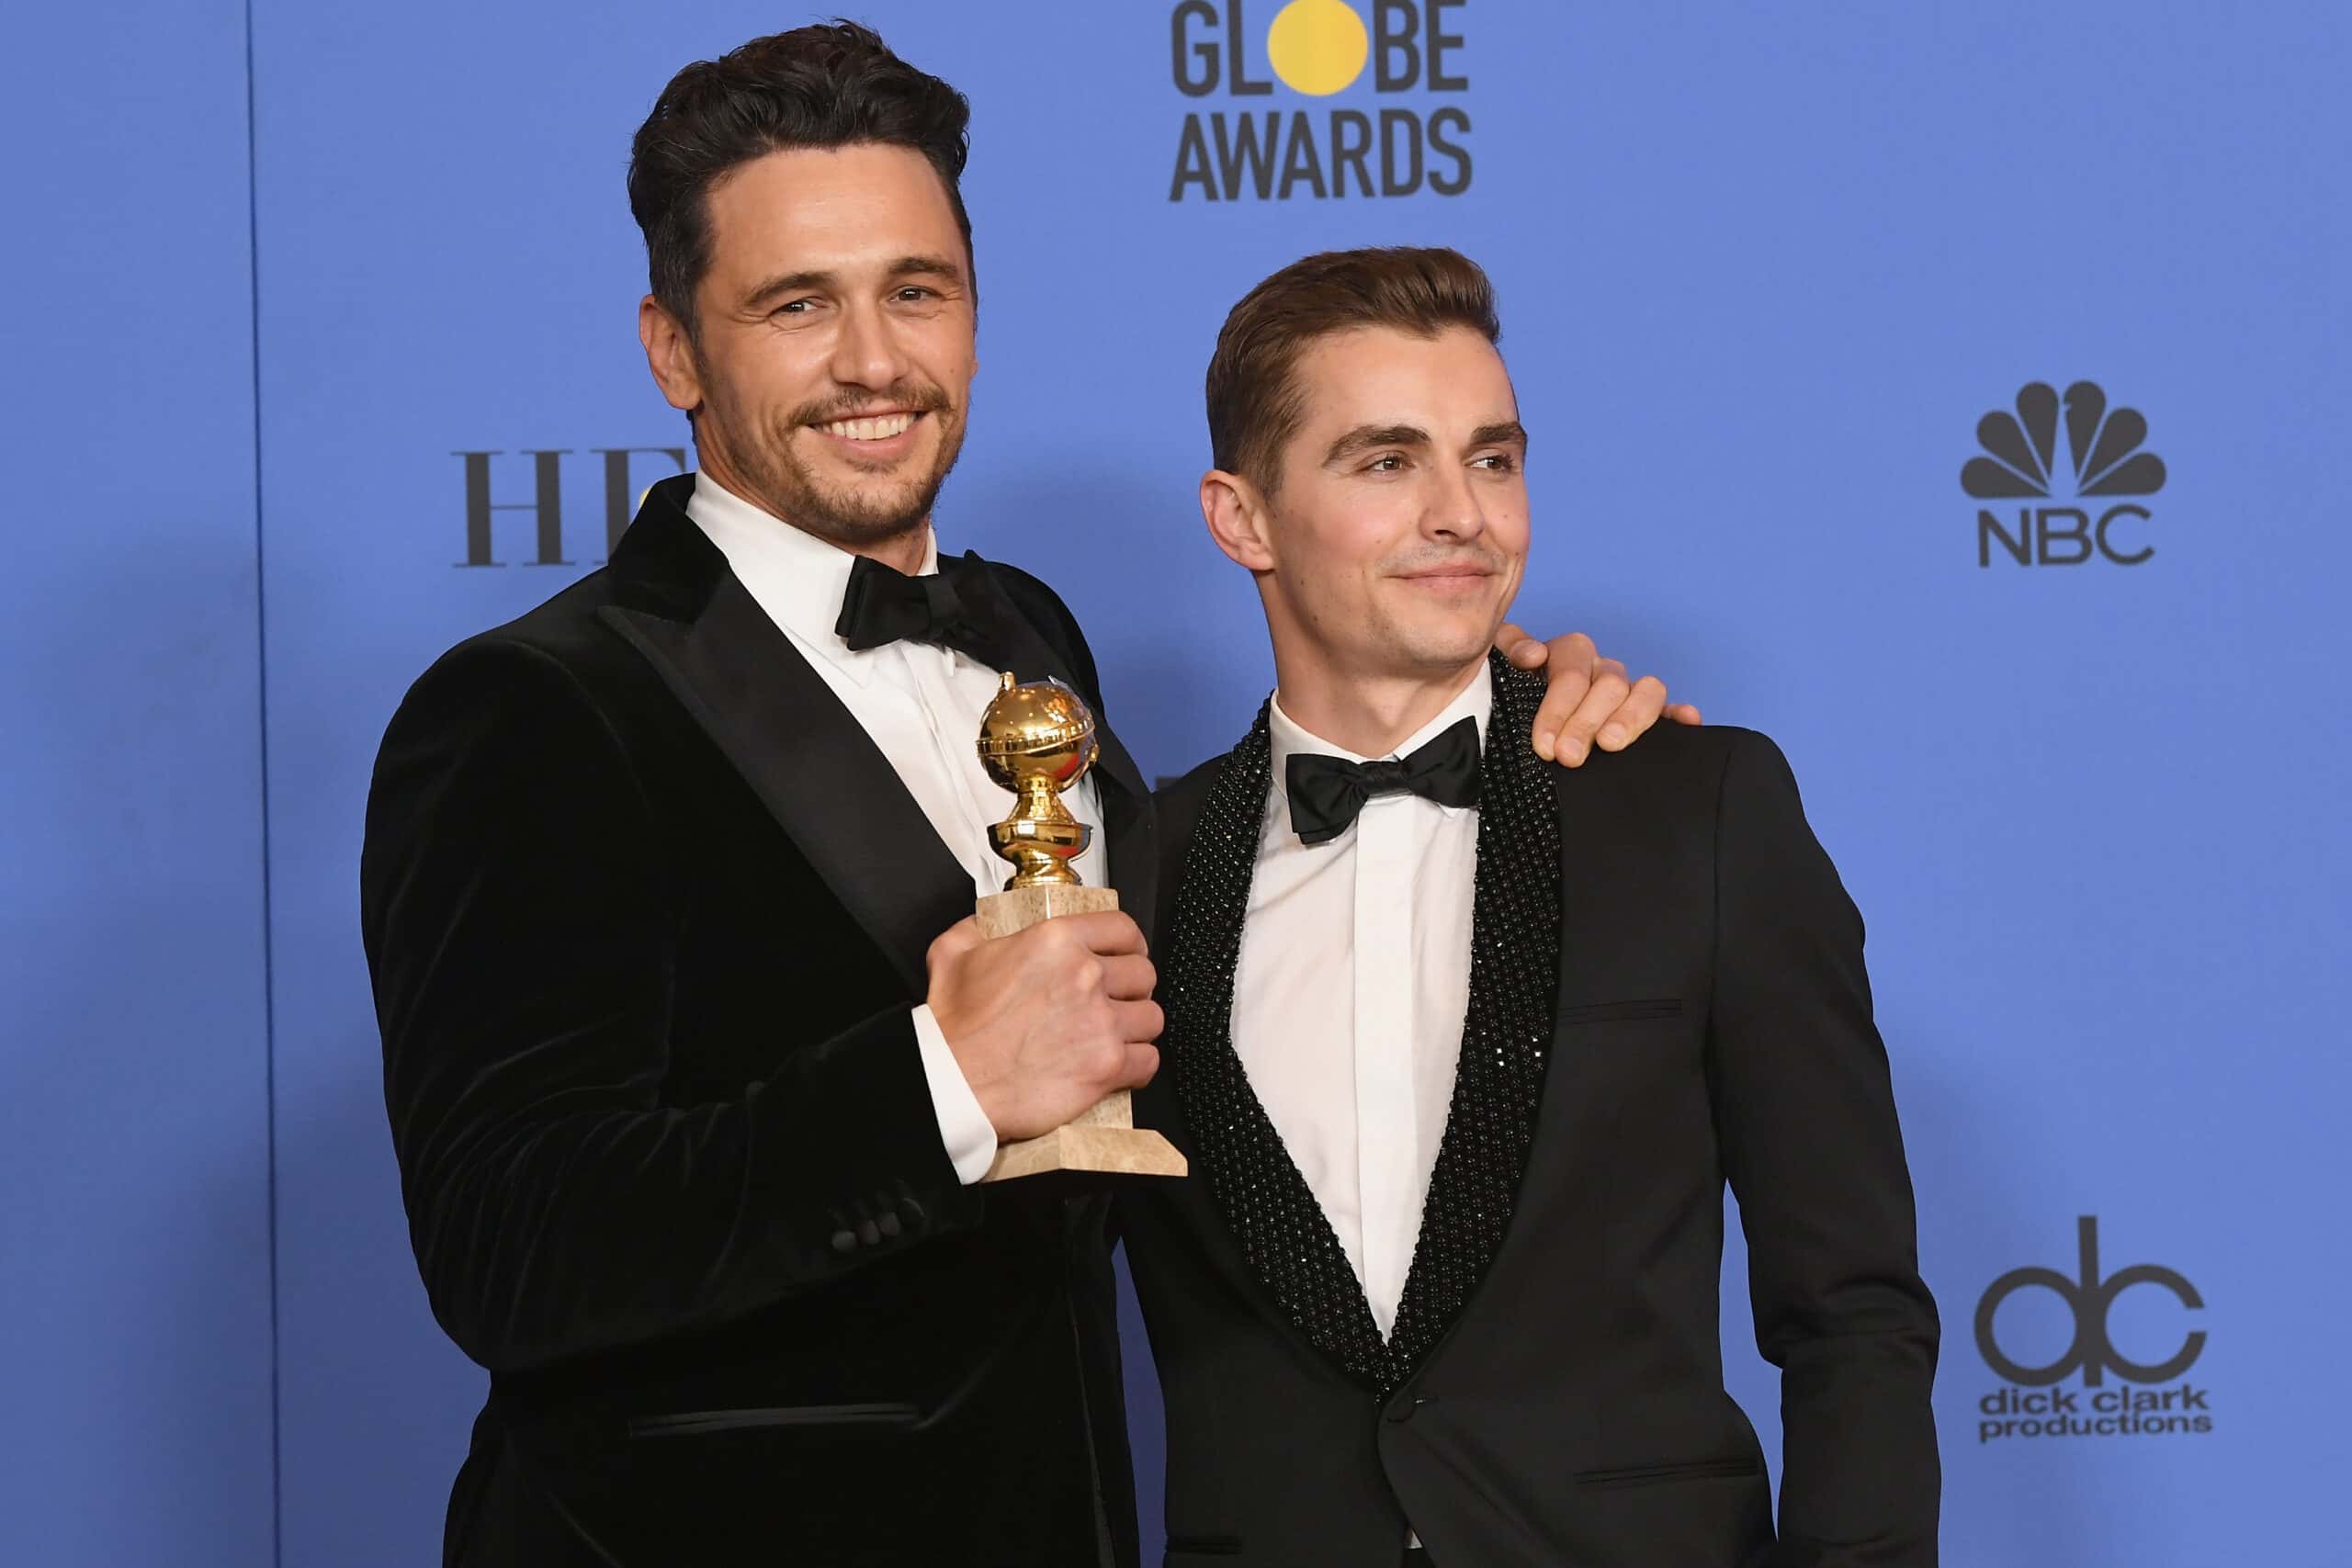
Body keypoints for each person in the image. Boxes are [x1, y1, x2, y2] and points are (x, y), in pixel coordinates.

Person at [358, 26, 1688, 1568]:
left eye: (916, 291)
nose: (874, 361)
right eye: (799, 305)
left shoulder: (1026, 634)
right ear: (674, 351)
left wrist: (1493, 683)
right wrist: (943, 1082)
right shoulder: (533, 708)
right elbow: (509, 1247)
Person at [1123, 246, 1939, 1567]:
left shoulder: (1696, 812)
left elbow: (1854, 1311)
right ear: (1243, 519)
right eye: (1387, 462)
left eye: (1492, 459)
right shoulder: (1134, 869)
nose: (1463, 513)